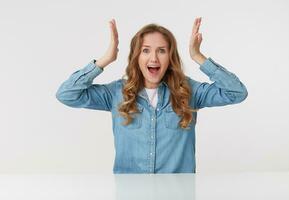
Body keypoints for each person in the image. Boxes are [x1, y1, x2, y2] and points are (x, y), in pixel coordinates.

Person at [56, 17, 248, 174]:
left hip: (178, 193)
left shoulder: (189, 90)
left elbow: (237, 93)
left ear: (170, 57)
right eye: (145, 50)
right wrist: (105, 59)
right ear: (136, 57)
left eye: (161, 51)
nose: (154, 58)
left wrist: (198, 57)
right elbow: (67, 94)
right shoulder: (115, 93)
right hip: (129, 193)